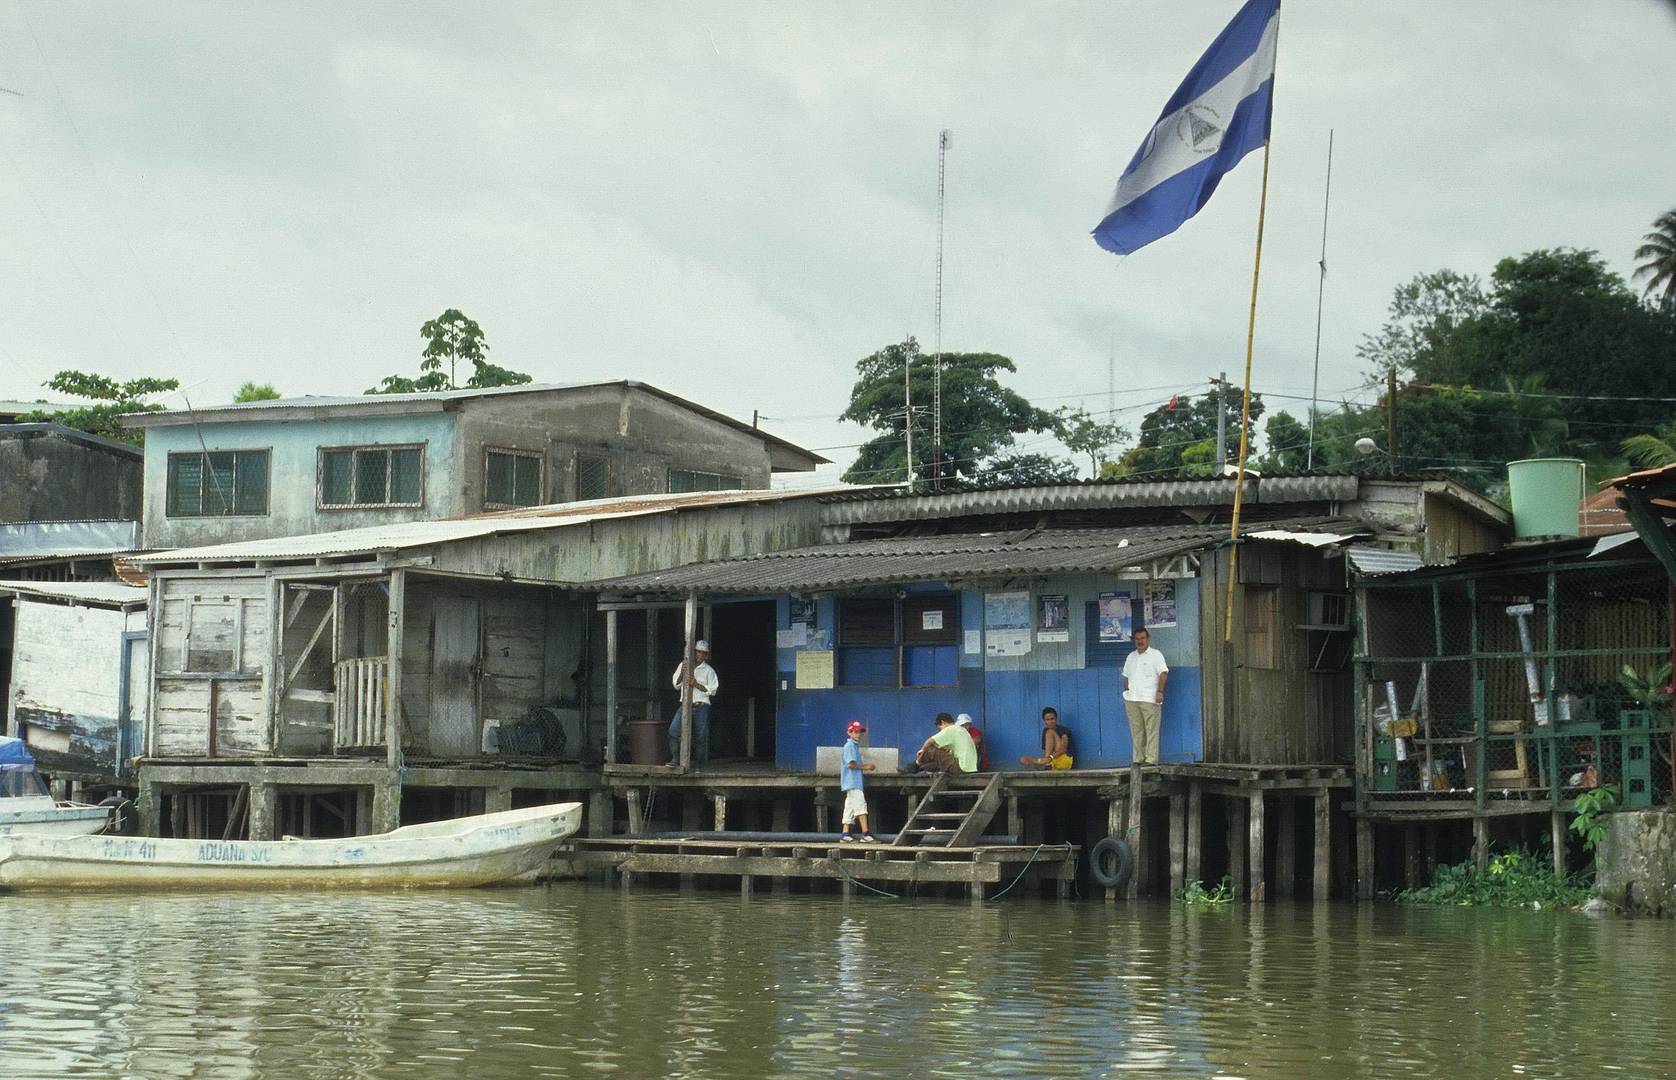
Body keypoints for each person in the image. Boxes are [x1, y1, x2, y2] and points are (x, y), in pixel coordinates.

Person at [667, 639, 720, 766]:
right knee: (673, 732)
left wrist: (696, 684)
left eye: (702, 653)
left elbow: (713, 690)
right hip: (685, 705)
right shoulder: (683, 665)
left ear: (706, 655)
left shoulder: (709, 671)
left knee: (700, 737)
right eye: (697, 652)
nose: (699, 655)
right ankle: (675, 759)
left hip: (701, 706)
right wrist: (682, 672)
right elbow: (676, 685)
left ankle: (698, 765)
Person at [1122, 627, 1169, 764]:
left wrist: (1160, 691)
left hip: (1150, 698)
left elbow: (1163, 673)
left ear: (1147, 639)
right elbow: (1125, 677)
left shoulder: (1156, 655)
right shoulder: (1131, 657)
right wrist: (1127, 692)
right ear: (1134, 641)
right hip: (1132, 699)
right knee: (1136, 732)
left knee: (1151, 730)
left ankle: (1151, 760)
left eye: (1142, 638)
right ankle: (1138, 759)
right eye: (1137, 639)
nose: (1140, 641)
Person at [839, 721, 878, 842]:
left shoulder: (852, 745)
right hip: (853, 782)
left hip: (850, 782)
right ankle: (865, 833)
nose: (858, 734)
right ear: (849, 732)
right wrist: (866, 767)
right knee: (861, 806)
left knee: (849, 808)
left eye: (859, 732)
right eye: (855, 732)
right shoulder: (850, 746)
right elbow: (850, 765)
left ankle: (845, 834)